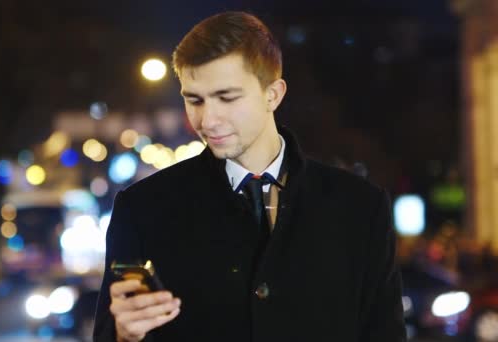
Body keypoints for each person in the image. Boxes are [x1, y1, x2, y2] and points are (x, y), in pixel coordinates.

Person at [93, 11, 405, 342]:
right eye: (194, 100)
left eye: (227, 97)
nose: (207, 120)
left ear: (273, 94)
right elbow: (109, 333)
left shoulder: (360, 208)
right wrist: (125, 337)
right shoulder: (142, 209)